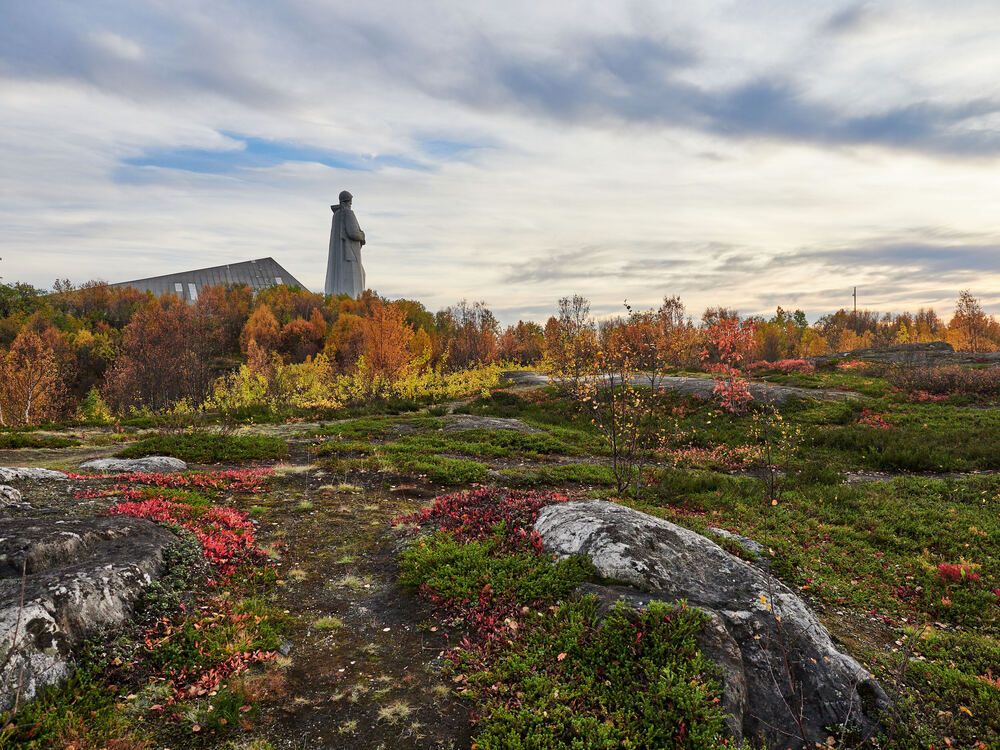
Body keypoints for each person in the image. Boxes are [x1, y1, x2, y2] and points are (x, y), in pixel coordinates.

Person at [324, 190, 367, 298]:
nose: (350, 206)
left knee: (344, 278)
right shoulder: (348, 213)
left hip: (340, 255)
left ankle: (339, 300)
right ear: (346, 202)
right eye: (350, 203)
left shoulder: (336, 216)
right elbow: (353, 233)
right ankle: (354, 302)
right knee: (357, 280)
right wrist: (362, 235)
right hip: (349, 254)